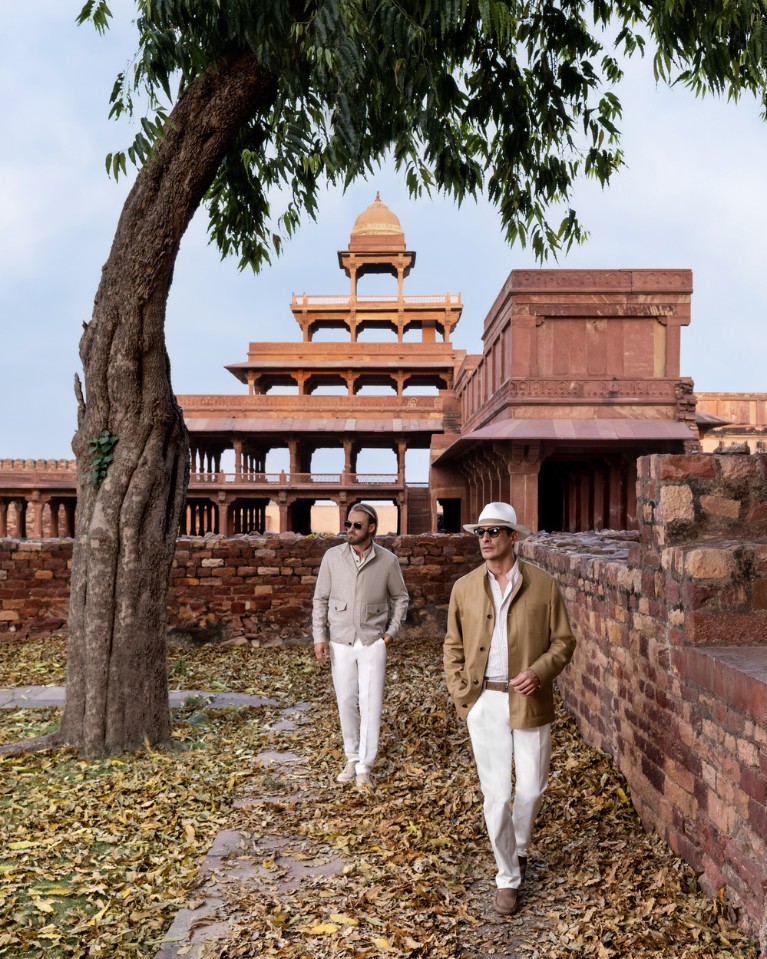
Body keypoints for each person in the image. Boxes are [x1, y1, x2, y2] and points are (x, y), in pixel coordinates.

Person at [443, 502, 575, 916]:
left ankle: (518, 846)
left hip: (530, 699)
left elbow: (563, 642)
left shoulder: (544, 585)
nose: (485, 539)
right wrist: (463, 694)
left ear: (512, 537)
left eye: (494, 532)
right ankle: (507, 877)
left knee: (532, 789)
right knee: (497, 795)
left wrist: (539, 672)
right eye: (480, 533)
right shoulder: (464, 588)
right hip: (484, 702)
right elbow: (452, 645)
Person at [312, 502, 409, 791]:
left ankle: (365, 765)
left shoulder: (388, 561)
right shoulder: (332, 557)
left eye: (356, 525)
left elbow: (400, 598)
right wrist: (319, 636)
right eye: (347, 524)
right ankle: (352, 757)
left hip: (372, 641)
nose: (350, 530)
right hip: (340, 640)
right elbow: (320, 599)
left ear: (371, 529)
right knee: (345, 702)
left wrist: (390, 633)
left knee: (370, 703)